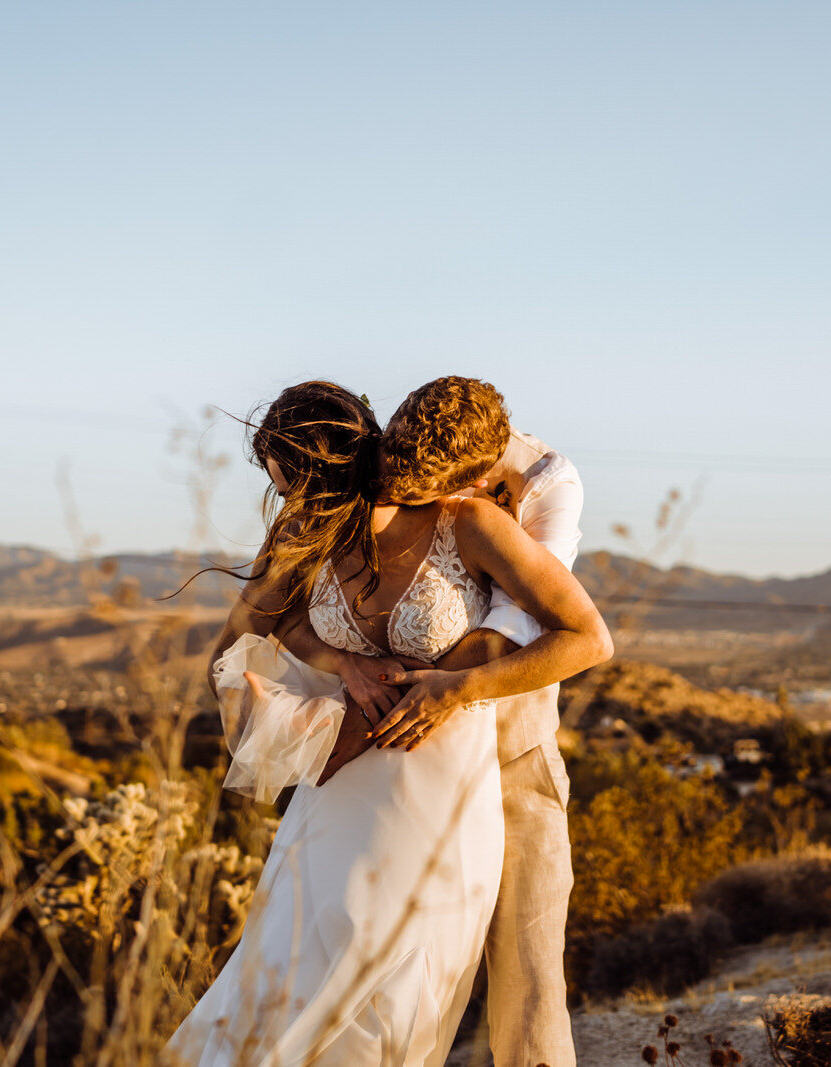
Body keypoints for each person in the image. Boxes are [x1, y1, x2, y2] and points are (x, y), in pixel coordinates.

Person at [166, 381, 611, 1066]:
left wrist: (458, 688)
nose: (289, 506)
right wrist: (339, 659)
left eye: (298, 487)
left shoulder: (467, 522)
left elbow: (586, 637)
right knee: (292, 990)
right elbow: (241, 638)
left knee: (401, 1008)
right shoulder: (305, 534)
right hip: (337, 799)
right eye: (283, 492)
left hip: (443, 803)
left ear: (338, 469)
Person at [288, 376, 586, 1067]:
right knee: (383, 980)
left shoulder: (547, 487)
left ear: (472, 479)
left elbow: (515, 624)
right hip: (390, 788)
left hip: (509, 758)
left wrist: (444, 690)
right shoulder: (415, 454)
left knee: (527, 973)